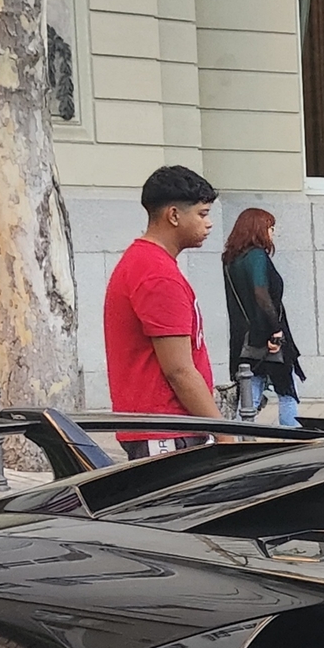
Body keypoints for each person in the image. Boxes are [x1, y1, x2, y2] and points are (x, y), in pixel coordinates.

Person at [102, 164, 219, 456]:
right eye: (202, 214)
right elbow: (179, 370)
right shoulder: (157, 274)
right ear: (174, 215)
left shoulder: (145, 262)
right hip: (167, 432)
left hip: (163, 428)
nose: (209, 224)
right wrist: (226, 433)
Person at [220, 207, 304, 427]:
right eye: (270, 227)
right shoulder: (257, 255)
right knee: (287, 392)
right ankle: (294, 441)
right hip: (267, 336)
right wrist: (276, 331)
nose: (273, 233)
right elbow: (261, 293)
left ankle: (239, 443)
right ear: (258, 228)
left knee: (250, 396)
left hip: (245, 341)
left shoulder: (230, 260)